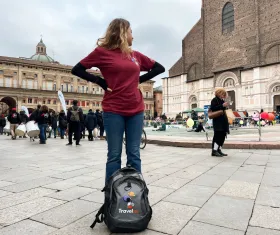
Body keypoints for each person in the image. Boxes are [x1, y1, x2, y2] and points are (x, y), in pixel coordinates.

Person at [71, 18, 165, 183]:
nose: (133, 36)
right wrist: (100, 81)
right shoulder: (102, 53)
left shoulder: (135, 55)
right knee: (114, 155)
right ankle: (112, 197)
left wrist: (139, 80)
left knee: (134, 154)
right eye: (130, 32)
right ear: (122, 32)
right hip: (113, 109)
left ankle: (134, 197)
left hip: (136, 109)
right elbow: (77, 69)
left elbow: (159, 68)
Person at [210, 88, 229, 157]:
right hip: (217, 121)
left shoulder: (222, 100)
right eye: (222, 94)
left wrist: (225, 106)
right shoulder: (214, 100)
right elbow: (213, 108)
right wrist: (222, 106)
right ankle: (214, 151)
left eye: (224, 95)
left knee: (223, 135)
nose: (223, 96)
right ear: (219, 93)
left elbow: (222, 109)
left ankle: (219, 149)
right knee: (218, 135)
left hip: (223, 120)